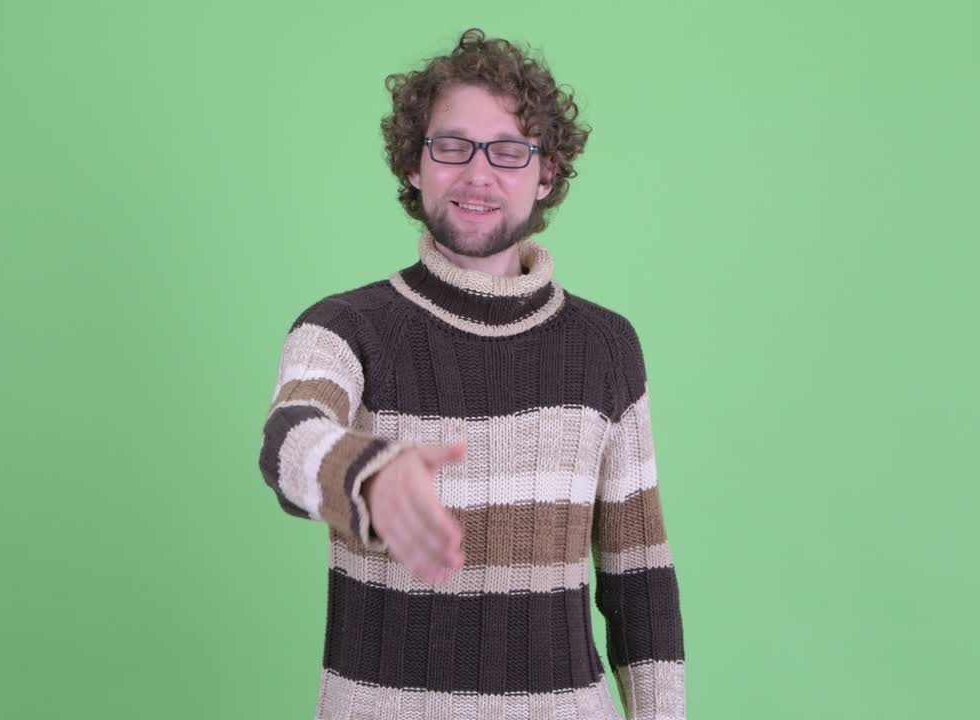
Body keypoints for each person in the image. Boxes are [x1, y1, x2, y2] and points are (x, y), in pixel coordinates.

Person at [258, 28, 685, 719]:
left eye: (509, 152)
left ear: (546, 174)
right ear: (413, 166)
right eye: (451, 147)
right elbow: (288, 439)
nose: (478, 174)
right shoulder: (342, 327)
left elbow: (640, 583)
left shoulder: (607, 347)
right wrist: (371, 474)